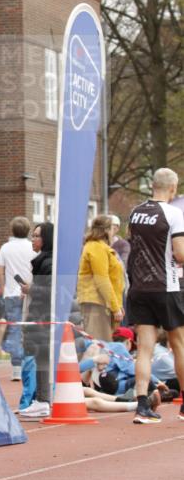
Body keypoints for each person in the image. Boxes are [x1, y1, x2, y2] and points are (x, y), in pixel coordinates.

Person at [125, 168, 184, 424]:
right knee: (179, 345)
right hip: (166, 287)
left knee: (145, 350)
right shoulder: (174, 213)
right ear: (173, 188)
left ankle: (142, 406)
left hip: (139, 287)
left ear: (153, 186)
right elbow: (180, 253)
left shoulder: (135, 212)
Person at [18, 221, 54, 418]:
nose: (33, 239)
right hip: (41, 313)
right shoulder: (43, 260)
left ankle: (43, 399)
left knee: (42, 357)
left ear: (46, 239)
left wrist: (31, 289)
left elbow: (52, 291)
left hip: (44, 315)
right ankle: (42, 399)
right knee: (41, 357)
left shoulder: (48, 262)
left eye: (37, 235)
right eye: (33, 235)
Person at [0, 217, 35, 380]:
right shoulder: (32, 247)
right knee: (29, 329)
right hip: (29, 292)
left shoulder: (5, 248)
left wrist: (3, 288)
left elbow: (0, 271)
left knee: (14, 328)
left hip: (11, 293)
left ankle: (16, 367)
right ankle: (28, 365)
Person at [76, 214, 125, 343]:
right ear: (106, 230)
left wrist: (117, 305)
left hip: (103, 303)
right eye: (112, 228)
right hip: (97, 303)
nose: (114, 232)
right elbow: (102, 280)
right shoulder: (96, 247)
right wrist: (115, 307)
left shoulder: (100, 247)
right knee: (99, 346)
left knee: (103, 346)